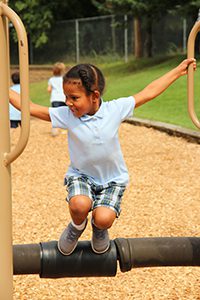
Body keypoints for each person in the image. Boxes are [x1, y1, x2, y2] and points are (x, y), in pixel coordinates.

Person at [9, 58, 196, 256]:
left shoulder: (114, 110)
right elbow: (30, 107)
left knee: (104, 218)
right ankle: (76, 227)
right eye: (66, 97)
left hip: (112, 180)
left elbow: (148, 92)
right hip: (81, 176)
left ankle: (99, 229)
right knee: (79, 204)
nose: (68, 103)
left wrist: (177, 71)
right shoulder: (67, 115)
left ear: (94, 96)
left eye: (74, 98)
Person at [47, 62, 66, 136]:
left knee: (55, 114)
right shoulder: (64, 79)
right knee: (64, 113)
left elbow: (49, 89)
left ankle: (54, 130)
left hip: (55, 99)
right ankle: (64, 129)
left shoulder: (51, 79)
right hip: (63, 98)